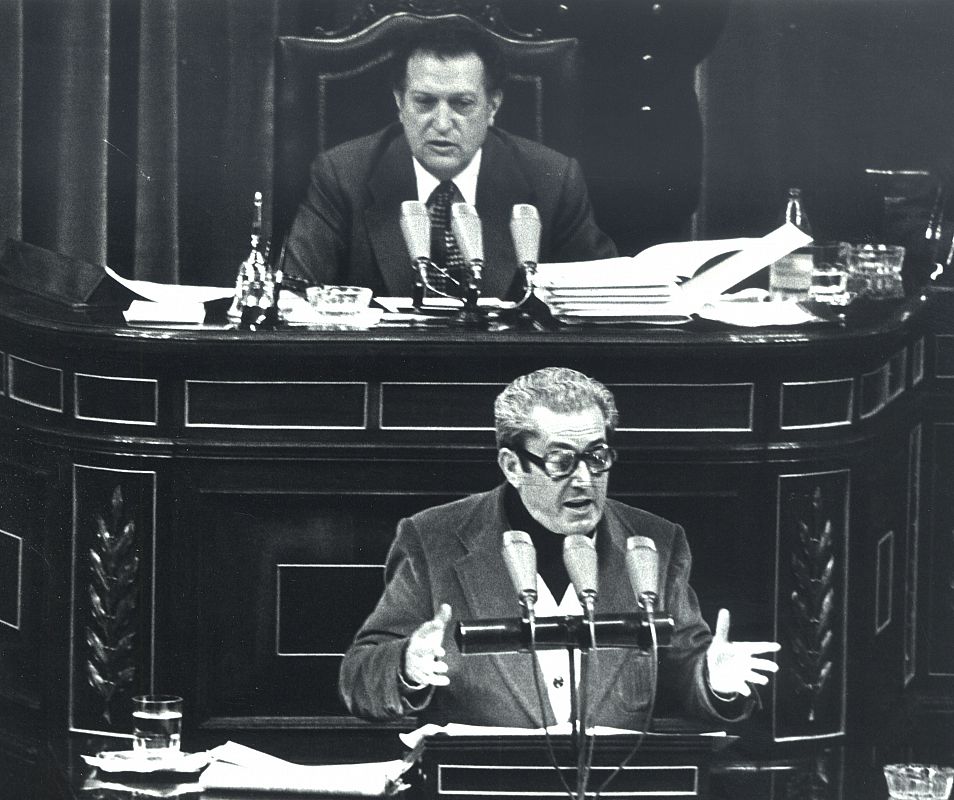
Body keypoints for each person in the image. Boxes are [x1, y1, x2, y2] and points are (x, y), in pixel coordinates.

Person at [339, 367, 779, 727]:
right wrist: (407, 667)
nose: (585, 479)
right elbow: (359, 679)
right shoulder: (432, 538)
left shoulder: (654, 541)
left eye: (598, 456)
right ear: (512, 465)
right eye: (562, 461)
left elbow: (685, 668)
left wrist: (713, 677)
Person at [283, 19, 617, 300]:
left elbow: (603, 298)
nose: (442, 123)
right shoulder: (342, 175)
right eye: (425, 102)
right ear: (400, 102)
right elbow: (294, 296)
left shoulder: (553, 179)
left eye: (462, 103)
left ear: (493, 106)